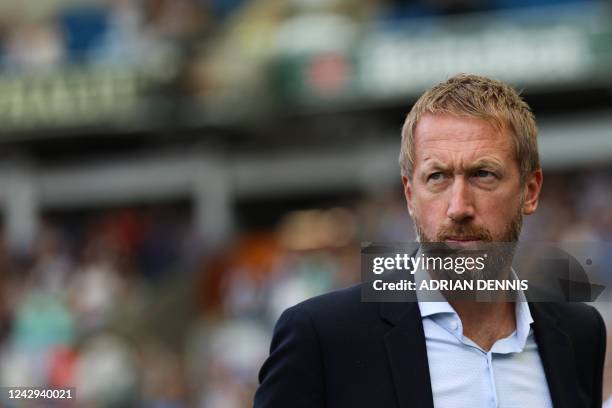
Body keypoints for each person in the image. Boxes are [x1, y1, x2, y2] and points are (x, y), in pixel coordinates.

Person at [254, 74, 606, 408]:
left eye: (483, 174)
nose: (458, 208)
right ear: (410, 195)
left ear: (530, 191)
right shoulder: (321, 336)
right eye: (437, 177)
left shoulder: (579, 334)